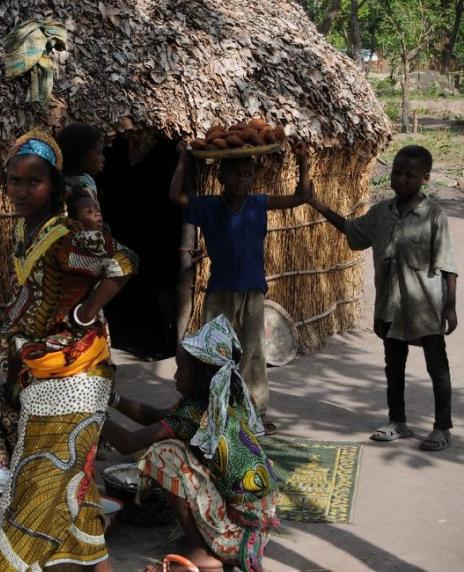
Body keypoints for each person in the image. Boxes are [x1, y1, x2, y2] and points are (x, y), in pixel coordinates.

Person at [0, 130, 138, 571]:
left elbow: (124, 262)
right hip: (43, 376)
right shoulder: (24, 229)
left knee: (39, 491)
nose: (20, 191)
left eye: (33, 182)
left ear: (54, 186)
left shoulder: (68, 236)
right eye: (14, 180)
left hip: (77, 382)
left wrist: (87, 313)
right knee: (77, 494)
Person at [308, 145, 458, 451]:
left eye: (409, 175)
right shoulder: (381, 214)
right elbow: (352, 231)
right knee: (394, 365)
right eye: (396, 172)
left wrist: (451, 307)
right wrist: (316, 203)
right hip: (390, 304)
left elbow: (447, 266)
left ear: (425, 178)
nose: (401, 179)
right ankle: (397, 421)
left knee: (437, 367)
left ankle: (442, 427)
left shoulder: (434, 216)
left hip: (425, 306)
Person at [102, 315, 279, 572]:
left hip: (239, 531)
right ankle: (209, 538)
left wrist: (89, 413)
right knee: (178, 450)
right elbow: (155, 417)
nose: (174, 375)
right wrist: (113, 399)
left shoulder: (196, 415)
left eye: (181, 369)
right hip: (260, 521)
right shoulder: (222, 399)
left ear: (201, 375)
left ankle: (204, 549)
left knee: (164, 454)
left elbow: (128, 443)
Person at [168, 140, 313, 434]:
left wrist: (302, 161)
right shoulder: (208, 207)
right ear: (221, 178)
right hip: (220, 291)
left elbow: (303, 196)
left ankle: (254, 414)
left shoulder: (259, 204)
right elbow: (175, 195)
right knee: (214, 355)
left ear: (254, 178)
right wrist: (183, 161)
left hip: (253, 291)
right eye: (234, 174)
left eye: (247, 174)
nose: (240, 180)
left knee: (253, 353)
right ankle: (214, 412)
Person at [57, 122, 104, 201]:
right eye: (99, 153)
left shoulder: (86, 180)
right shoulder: (80, 194)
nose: (103, 159)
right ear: (81, 155)